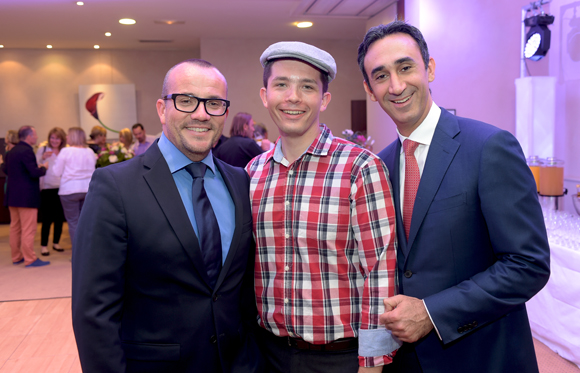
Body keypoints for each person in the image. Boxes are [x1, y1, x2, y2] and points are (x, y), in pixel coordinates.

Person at [357, 21, 550, 372]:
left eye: (406, 67)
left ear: (429, 69)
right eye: (381, 75)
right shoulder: (377, 166)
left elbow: (528, 264)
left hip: (481, 357)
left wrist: (431, 313)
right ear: (370, 89)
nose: (396, 85)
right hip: (407, 363)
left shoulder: (489, 147)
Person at [72, 58, 262, 373]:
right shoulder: (115, 187)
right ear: (162, 109)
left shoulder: (240, 181)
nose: (201, 114)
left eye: (213, 103)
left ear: (224, 113)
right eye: (186, 101)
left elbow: (241, 292)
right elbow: (94, 313)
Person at [246, 41, 400, 373]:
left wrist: (372, 363)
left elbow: (380, 271)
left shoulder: (360, 168)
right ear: (265, 95)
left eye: (307, 87)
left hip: (339, 359)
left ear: (324, 99)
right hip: (266, 353)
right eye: (281, 85)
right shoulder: (252, 173)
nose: (293, 97)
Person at [2, 126, 50, 267]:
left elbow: (6, 170)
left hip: (12, 196)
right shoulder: (27, 151)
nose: (36, 137)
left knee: (15, 228)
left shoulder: (11, 151)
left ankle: (16, 257)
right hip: (26, 197)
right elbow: (34, 173)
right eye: (34, 135)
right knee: (28, 229)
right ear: (28, 137)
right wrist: (44, 168)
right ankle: (30, 259)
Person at [52, 127, 96, 251]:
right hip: (88, 189)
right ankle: (88, 252)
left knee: (73, 222)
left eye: (68, 135)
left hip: (69, 189)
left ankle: (78, 253)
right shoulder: (89, 151)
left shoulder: (66, 151)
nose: (66, 137)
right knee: (86, 222)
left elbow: (56, 172)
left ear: (73, 137)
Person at [35, 127, 67, 256]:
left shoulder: (65, 151)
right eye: (52, 137)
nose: (54, 140)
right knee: (47, 218)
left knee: (59, 218)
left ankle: (56, 243)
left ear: (62, 139)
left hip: (62, 188)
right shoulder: (43, 149)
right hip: (47, 188)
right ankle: (44, 245)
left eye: (57, 138)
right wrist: (42, 158)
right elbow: (34, 165)